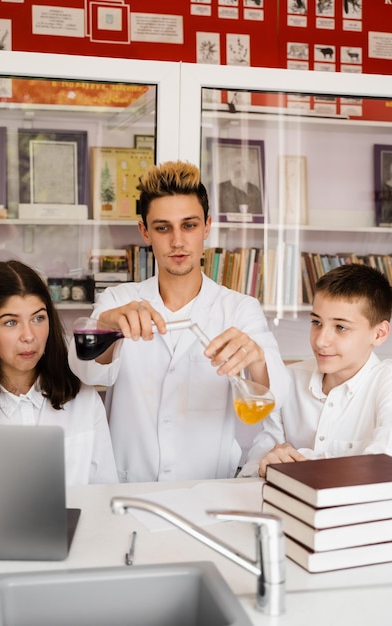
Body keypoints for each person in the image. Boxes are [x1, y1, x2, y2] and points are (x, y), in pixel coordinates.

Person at [68, 160, 289, 483]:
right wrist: (110, 327)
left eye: (189, 225)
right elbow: (85, 371)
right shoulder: (118, 301)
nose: (177, 241)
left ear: (207, 226)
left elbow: (275, 397)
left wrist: (255, 359)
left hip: (209, 488)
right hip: (128, 486)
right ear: (145, 232)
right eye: (162, 227)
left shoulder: (240, 309)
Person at [239, 263, 392, 479]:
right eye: (316, 322)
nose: (320, 341)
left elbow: (383, 466)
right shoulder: (287, 379)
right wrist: (264, 466)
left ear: (379, 334)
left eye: (341, 327)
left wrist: (300, 463)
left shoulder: (387, 382)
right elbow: (251, 468)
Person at [0, 260, 118, 486]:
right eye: (11, 322)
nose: (29, 335)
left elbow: (106, 491)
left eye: (38, 318)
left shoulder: (83, 399)